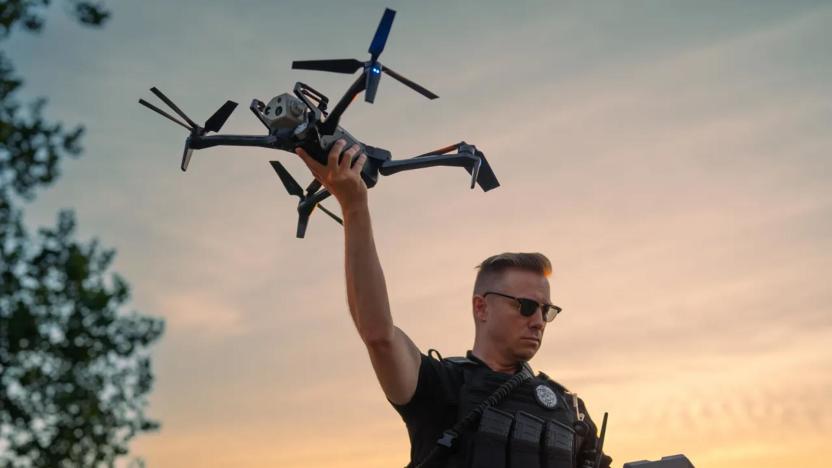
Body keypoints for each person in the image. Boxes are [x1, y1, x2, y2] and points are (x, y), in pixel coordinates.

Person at [295, 140, 612, 468]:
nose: (539, 321)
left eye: (547, 311)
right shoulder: (442, 386)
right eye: (527, 307)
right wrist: (354, 205)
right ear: (481, 308)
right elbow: (378, 334)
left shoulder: (568, 409)